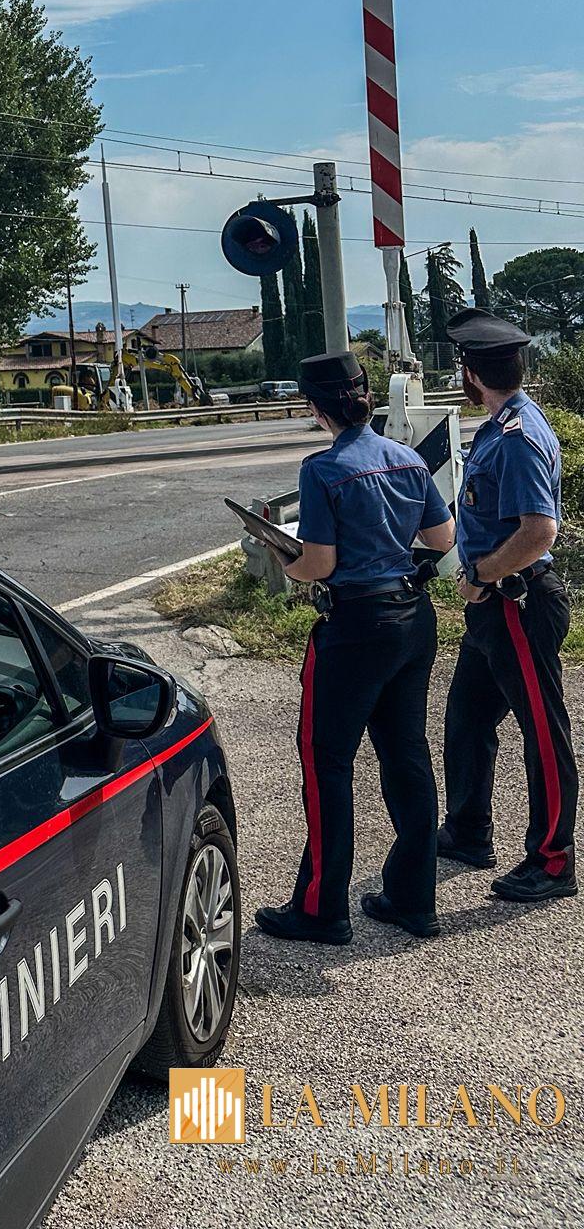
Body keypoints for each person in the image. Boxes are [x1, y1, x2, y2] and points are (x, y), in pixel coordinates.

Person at [256, 350, 455, 944]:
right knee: (406, 755)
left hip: (353, 627)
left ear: (314, 407)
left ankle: (322, 908)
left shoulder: (320, 470)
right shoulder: (408, 458)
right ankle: (413, 898)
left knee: (326, 764)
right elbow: (442, 538)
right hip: (411, 618)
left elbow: (319, 563)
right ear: (365, 397)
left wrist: (283, 558)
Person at [439, 307, 576, 903]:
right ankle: (470, 830)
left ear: (471, 373)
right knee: (467, 717)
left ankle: (552, 859)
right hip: (496, 606)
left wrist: (482, 575)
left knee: (542, 731)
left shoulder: (517, 437)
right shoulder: (506, 423)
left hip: (516, 601)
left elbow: (540, 529)